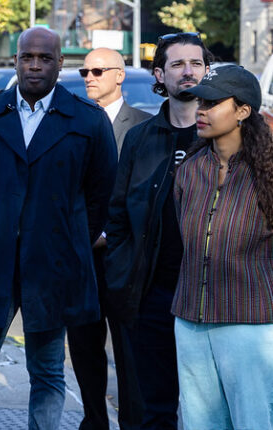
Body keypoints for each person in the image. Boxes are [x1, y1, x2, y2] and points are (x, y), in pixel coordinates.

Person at [0, 27, 117, 429]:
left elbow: (101, 196)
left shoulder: (88, 119)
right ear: (16, 61)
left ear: (60, 63)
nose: (35, 65)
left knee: (47, 373)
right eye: (28, 57)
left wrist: (66, 238)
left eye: (45, 58)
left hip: (53, 267)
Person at [105, 33, 211, 429]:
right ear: (160, 75)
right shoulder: (140, 138)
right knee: (154, 408)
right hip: (151, 294)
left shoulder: (222, 137)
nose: (188, 72)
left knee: (207, 410)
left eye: (196, 64)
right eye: (178, 64)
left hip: (208, 296)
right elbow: (118, 215)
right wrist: (122, 274)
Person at [173, 65, 273, 430]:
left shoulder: (268, 172)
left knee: (254, 421)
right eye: (200, 102)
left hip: (250, 323)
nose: (201, 110)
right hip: (190, 321)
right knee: (199, 423)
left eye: (213, 103)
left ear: (243, 111)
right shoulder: (190, 170)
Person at [67, 47, 149, 430]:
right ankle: (94, 421)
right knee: (84, 347)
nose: (89, 77)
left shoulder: (143, 126)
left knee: (130, 352)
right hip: (81, 257)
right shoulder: (73, 122)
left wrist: (108, 234)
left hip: (125, 258)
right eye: (85, 71)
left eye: (98, 71)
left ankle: (133, 422)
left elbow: (145, 194)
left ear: (120, 75)